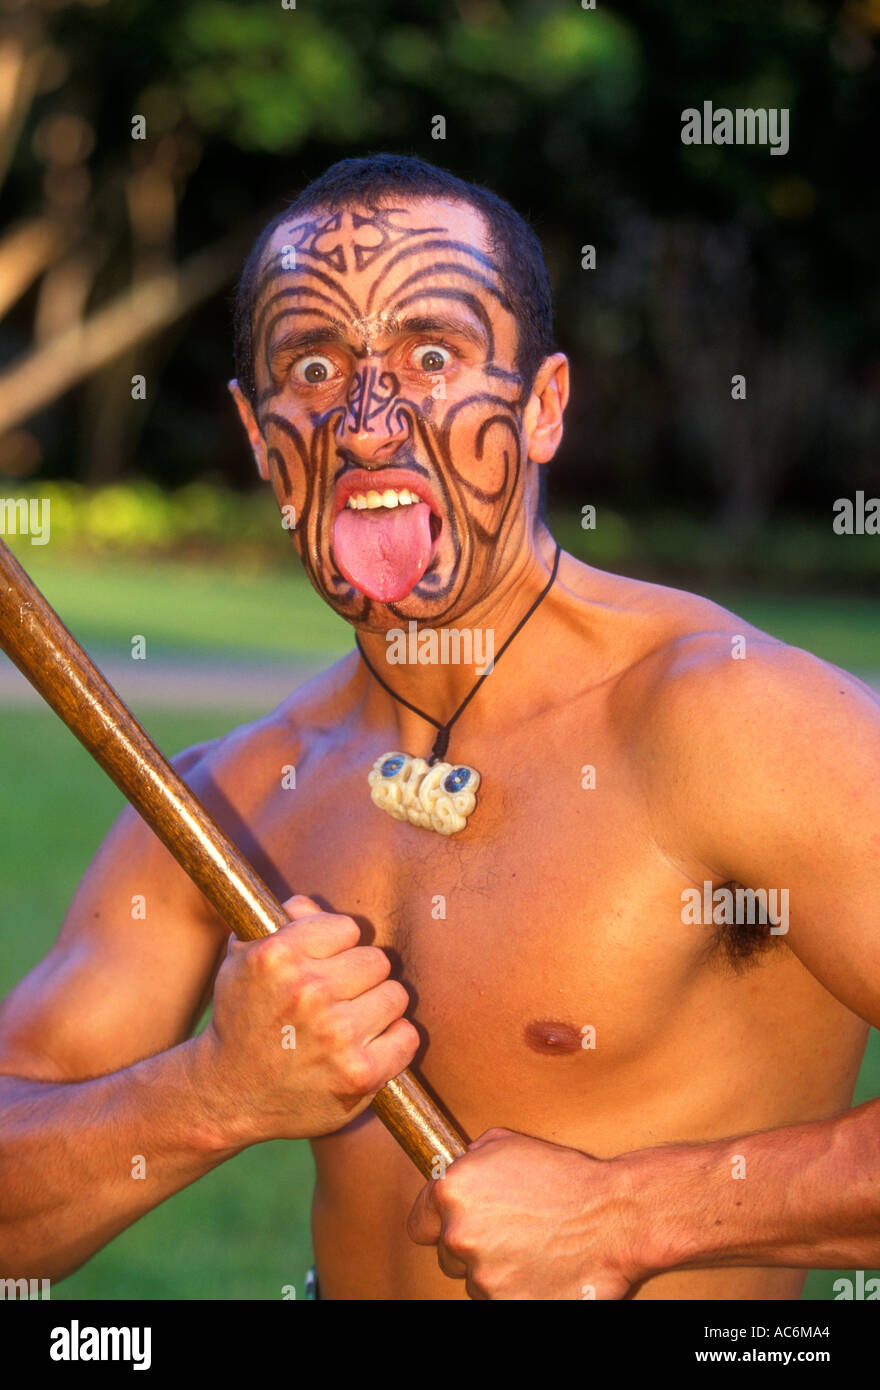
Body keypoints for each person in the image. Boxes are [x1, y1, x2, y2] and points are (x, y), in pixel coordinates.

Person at [1, 154, 878, 1301]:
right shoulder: (235, 800)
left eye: (430, 355)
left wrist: (627, 1214)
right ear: (263, 442)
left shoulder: (732, 719)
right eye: (313, 367)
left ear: (544, 402)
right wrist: (210, 1093)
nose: (369, 422)